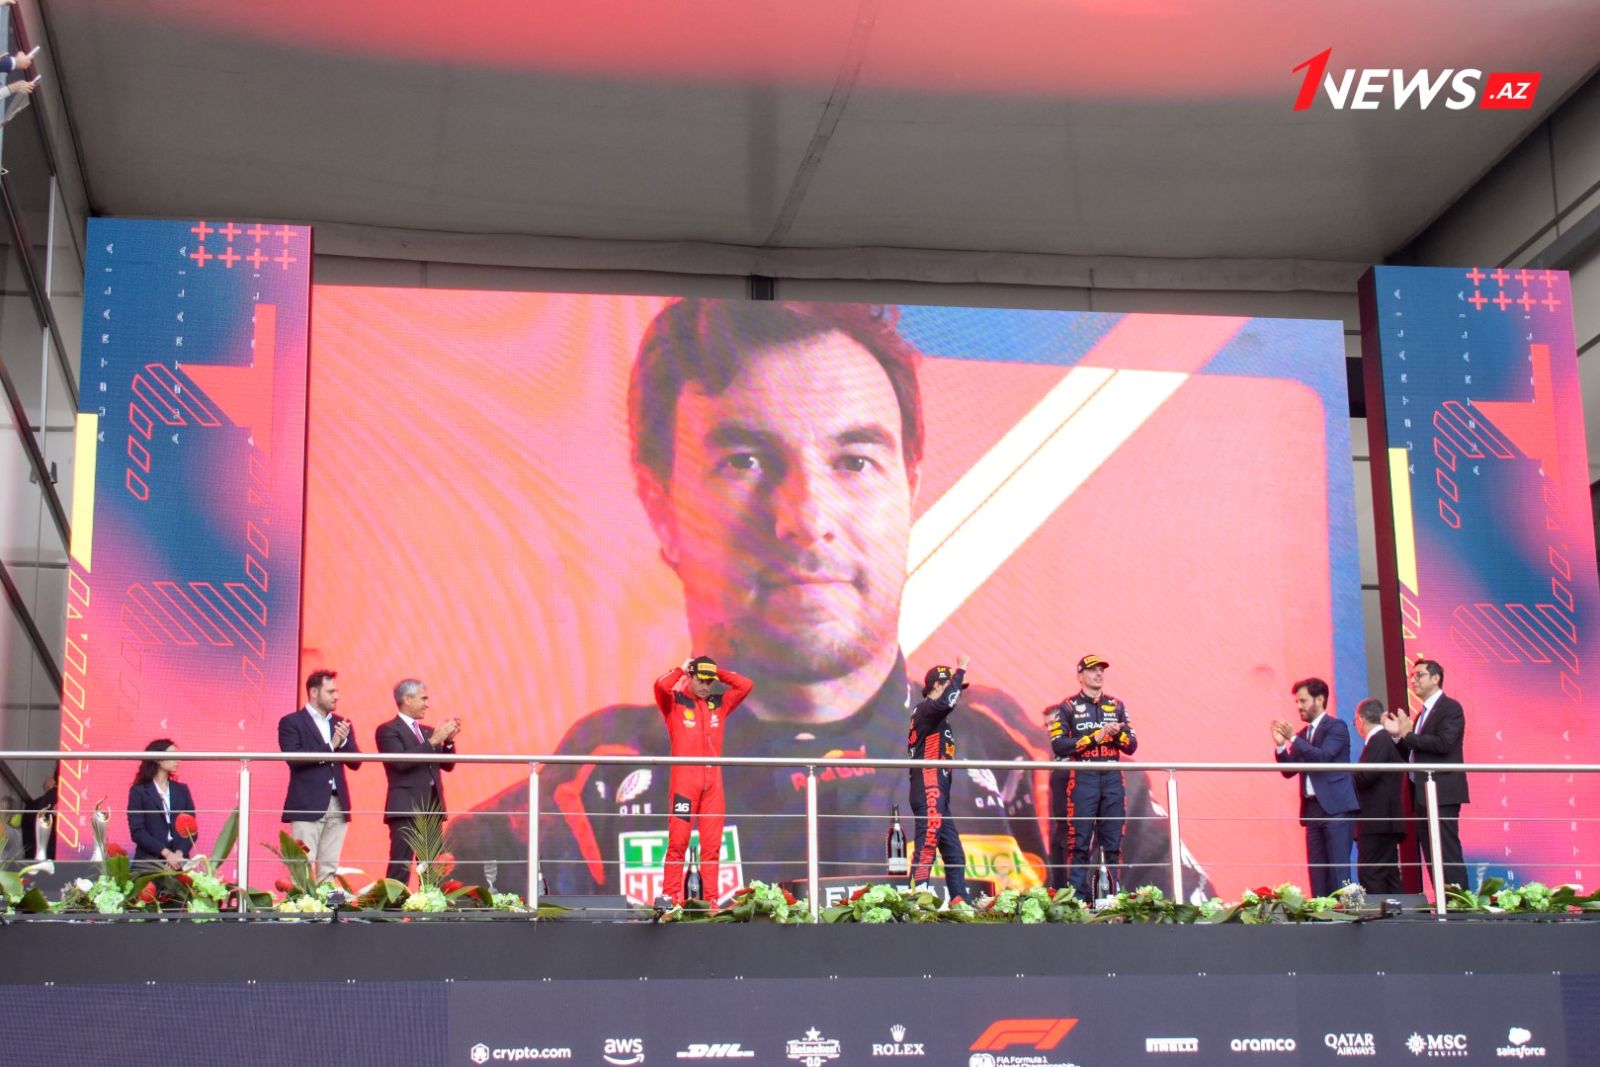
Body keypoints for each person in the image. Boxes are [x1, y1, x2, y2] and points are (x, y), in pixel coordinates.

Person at [449, 299, 1200, 902]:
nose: (807, 518)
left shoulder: (1047, 787)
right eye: (745, 460)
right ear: (661, 507)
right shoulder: (551, 824)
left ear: (909, 491)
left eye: (854, 461)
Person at [652, 655, 754, 905]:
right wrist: (681, 669)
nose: (706, 687)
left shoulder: (719, 704)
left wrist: (716, 672)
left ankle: (711, 903)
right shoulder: (674, 702)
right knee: (678, 843)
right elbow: (660, 685)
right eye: (701, 680)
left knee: (712, 847)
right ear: (691, 676)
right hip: (684, 785)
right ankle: (671, 899)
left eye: (710, 682)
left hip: (713, 787)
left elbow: (746, 685)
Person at [1046, 655, 1138, 898]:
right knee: (1079, 841)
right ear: (1080, 676)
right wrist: (1094, 738)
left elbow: (1132, 746)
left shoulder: (1116, 706)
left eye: (1101, 670)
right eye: (1092, 670)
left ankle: (1112, 897)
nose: (1099, 674)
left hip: (1112, 776)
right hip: (1083, 777)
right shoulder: (1068, 706)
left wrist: (1116, 735)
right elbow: (1059, 745)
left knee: (1113, 841)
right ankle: (1077, 898)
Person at [1383, 658, 1469, 891]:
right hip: (1421, 793)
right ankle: (1442, 901)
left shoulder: (1450, 708)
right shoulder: (1422, 714)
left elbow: (1444, 743)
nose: (1413, 680)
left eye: (1418, 675)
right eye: (1411, 676)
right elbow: (1412, 752)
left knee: (1447, 852)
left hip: (1442, 792)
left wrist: (1408, 735)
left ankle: (1460, 904)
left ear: (1436, 678)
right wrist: (1398, 736)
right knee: (1431, 854)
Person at [1272, 677, 1357, 897]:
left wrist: (1292, 738)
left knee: (1339, 870)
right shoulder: (1303, 735)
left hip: (1336, 808)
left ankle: (1347, 912)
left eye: (1303, 701)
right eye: (1297, 702)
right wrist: (1281, 746)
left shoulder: (1336, 727)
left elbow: (1323, 757)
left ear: (1319, 700)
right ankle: (1321, 911)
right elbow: (1289, 771)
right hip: (1312, 810)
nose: (1299, 706)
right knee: (1317, 872)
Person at [279, 668, 361, 882]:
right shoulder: (292, 722)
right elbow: (294, 758)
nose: (337, 696)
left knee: (329, 868)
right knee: (302, 867)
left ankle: (327, 904)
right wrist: (331, 746)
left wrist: (343, 742)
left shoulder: (341, 723)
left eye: (337, 691)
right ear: (314, 692)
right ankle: (302, 905)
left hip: (338, 803)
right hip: (307, 804)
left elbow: (356, 763)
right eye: (331, 691)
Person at [375, 679, 459, 885]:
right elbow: (400, 763)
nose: (427, 704)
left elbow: (447, 765)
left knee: (432, 870)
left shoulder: (428, 731)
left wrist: (448, 741)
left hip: (431, 809)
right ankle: (394, 905)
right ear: (407, 699)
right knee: (400, 866)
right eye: (423, 698)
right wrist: (434, 741)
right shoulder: (388, 730)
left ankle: (429, 904)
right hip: (405, 809)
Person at [907, 657, 973, 903]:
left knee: (954, 852)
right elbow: (947, 702)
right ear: (936, 685)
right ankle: (917, 899)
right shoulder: (927, 709)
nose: (956, 693)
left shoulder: (935, 715)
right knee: (927, 844)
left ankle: (960, 902)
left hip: (937, 791)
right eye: (950, 686)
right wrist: (961, 669)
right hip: (928, 784)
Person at [1350, 697, 1404, 894]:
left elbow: (1366, 776)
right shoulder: (1385, 739)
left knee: (1371, 873)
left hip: (1376, 821)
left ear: (1361, 719)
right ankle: (1397, 912)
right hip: (1385, 821)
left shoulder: (1379, 739)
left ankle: (1379, 913)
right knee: (1389, 875)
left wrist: (1344, 776)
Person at [127, 739, 198, 869]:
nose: (178, 760)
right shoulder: (139, 791)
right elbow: (138, 832)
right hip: (149, 862)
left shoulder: (182, 790)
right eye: (173, 755)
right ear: (158, 759)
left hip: (179, 862)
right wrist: (166, 854)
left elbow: (191, 830)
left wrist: (178, 855)